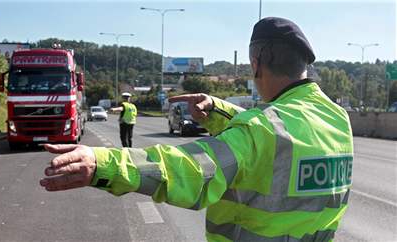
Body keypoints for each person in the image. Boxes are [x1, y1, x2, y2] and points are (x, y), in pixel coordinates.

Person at [40, 17, 353, 241]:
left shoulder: (260, 131)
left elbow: (192, 171)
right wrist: (218, 110)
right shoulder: (337, 118)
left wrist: (102, 164)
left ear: (256, 62)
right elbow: (274, 143)